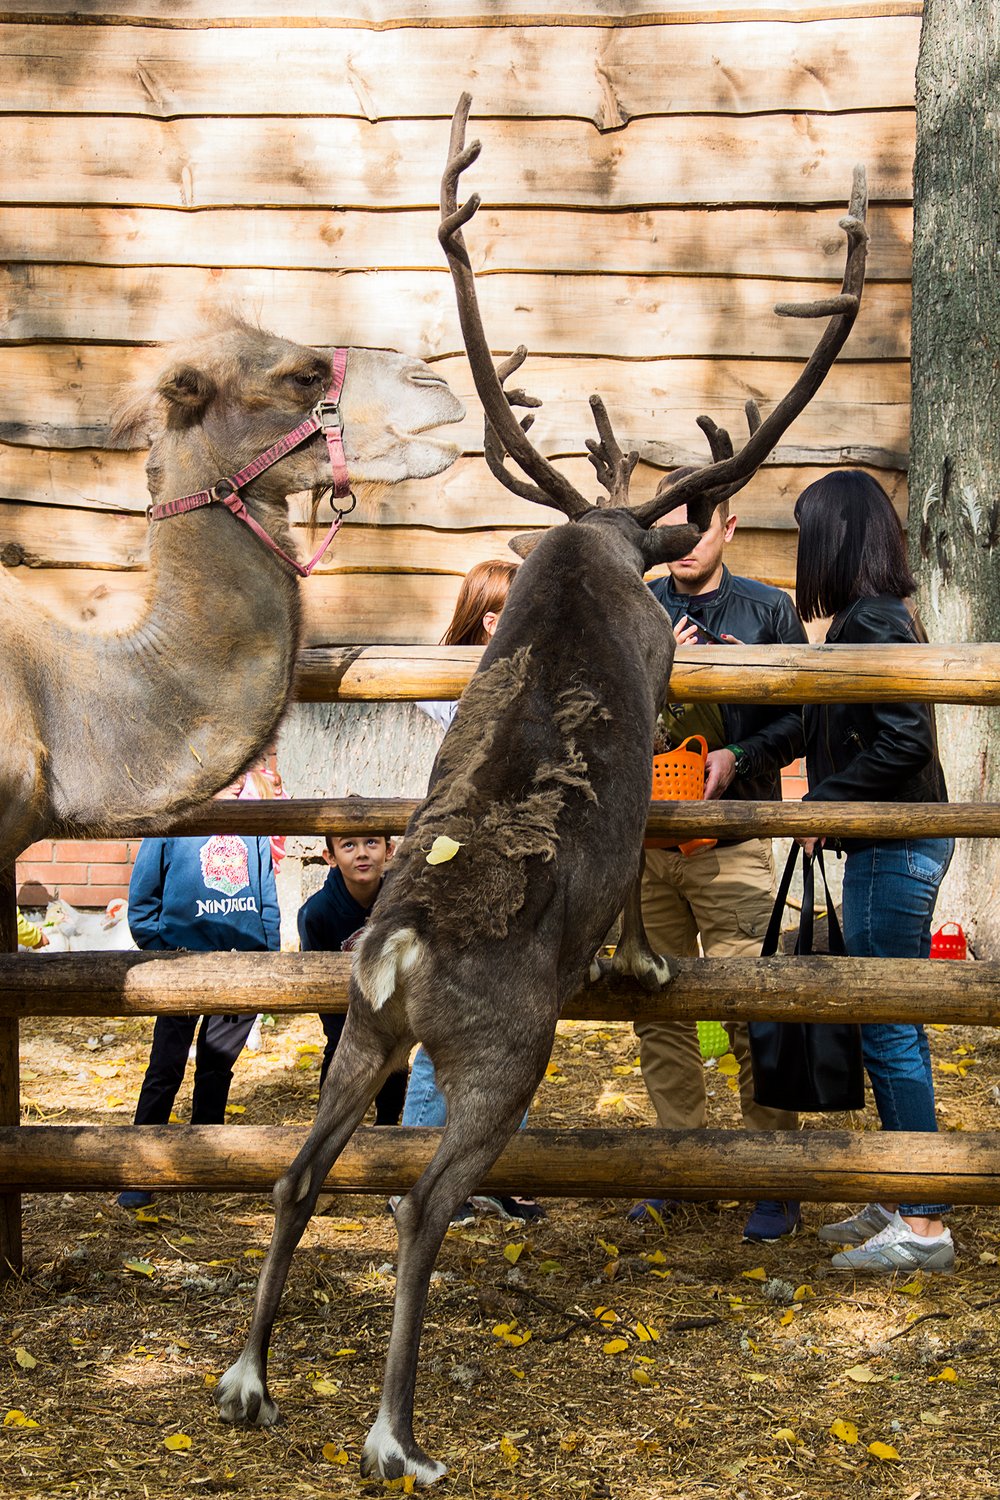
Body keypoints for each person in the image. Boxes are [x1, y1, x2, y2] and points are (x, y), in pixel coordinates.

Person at [630, 489, 808, 1243]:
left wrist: (741, 745)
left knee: (748, 1008)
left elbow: (807, 712)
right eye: (677, 532)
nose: (689, 543)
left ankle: (771, 1176)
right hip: (645, 850)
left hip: (733, 846)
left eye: (703, 530)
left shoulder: (769, 611)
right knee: (658, 1016)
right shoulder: (635, 607)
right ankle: (685, 1167)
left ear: (730, 528)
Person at [793, 468, 955, 1273]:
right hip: (886, 841)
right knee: (887, 1017)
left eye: (805, 533)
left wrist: (826, 803)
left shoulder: (875, 623)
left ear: (833, 538)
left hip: (895, 844)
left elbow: (905, 743)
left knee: (890, 1021)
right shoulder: (866, 620)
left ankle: (924, 1223)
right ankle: (900, 1194)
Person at [405, 557, 542, 1225]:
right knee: (452, 1021)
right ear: (494, 622)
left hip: (522, 871)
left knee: (520, 1022)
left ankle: (496, 1171)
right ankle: (424, 1177)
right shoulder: (461, 688)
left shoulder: (528, 682)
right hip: (465, 869)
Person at [117, 787, 279, 1210]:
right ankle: (140, 1168)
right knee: (165, 1066)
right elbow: (143, 901)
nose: (235, 782)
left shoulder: (252, 825)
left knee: (216, 1066)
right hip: (181, 965)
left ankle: (204, 1160)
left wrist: (267, 959)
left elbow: (266, 897)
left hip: (241, 966)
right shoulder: (172, 820)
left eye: (241, 773)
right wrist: (162, 951)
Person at [298, 832, 407, 1122]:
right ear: (330, 857)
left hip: (391, 1015)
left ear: (389, 850)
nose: (361, 853)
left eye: (371, 842)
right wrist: (343, 1033)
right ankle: (328, 1128)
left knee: (394, 1069)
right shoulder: (315, 913)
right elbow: (317, 981)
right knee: (338, 1063)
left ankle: (387, 1129)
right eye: (348, 845)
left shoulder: (401, 905)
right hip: (342, 1021)